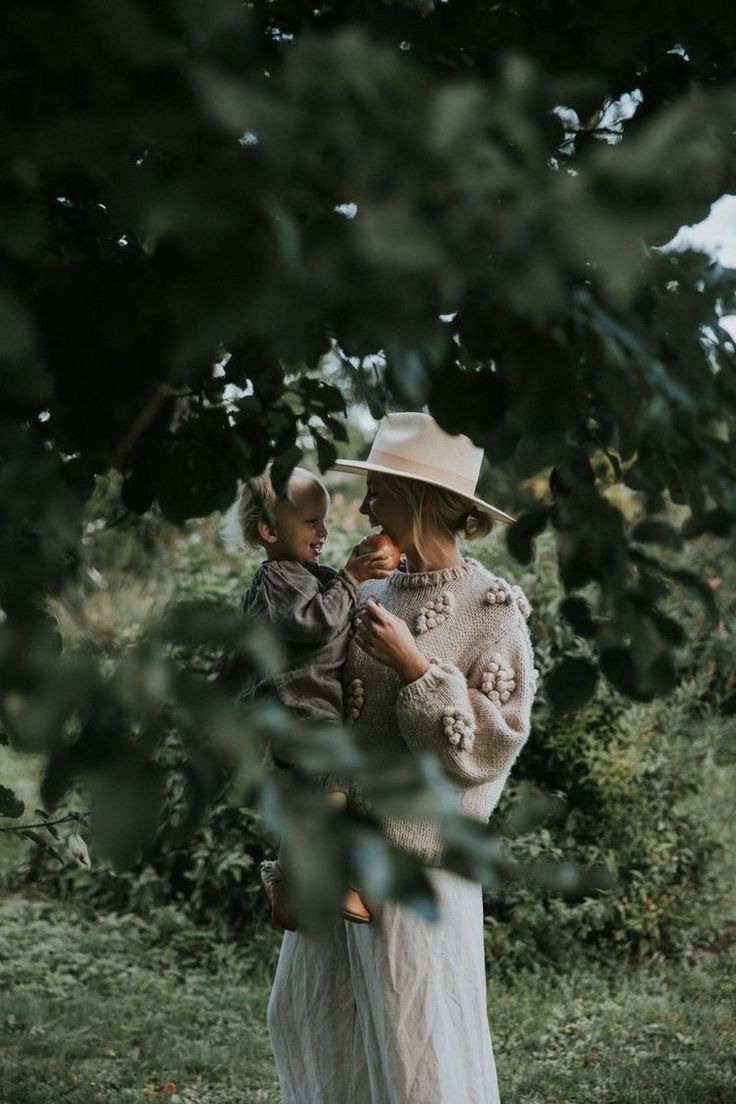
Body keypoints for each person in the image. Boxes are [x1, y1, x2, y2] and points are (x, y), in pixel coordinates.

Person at [267, 412, 537, 1104]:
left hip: (417, 867)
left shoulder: (494, 609)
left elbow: (485, 754)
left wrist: (418, 668)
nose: (363, 509)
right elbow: (313, 702)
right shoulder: (365, 590)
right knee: (316, 1025)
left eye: (378, 493)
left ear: (421, 499)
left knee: (417, 1051)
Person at [235, 463, 395, 929]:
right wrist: (349, 578)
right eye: (311, 522)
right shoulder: (275, 578)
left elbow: (330, 600)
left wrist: (356, 571)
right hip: (294, 710)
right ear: (268, 529)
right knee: (336, 782)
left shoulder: (301, 572)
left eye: (324, 520)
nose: (323, 530)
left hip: (305, 710)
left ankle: (285, 886)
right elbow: (318, 622)